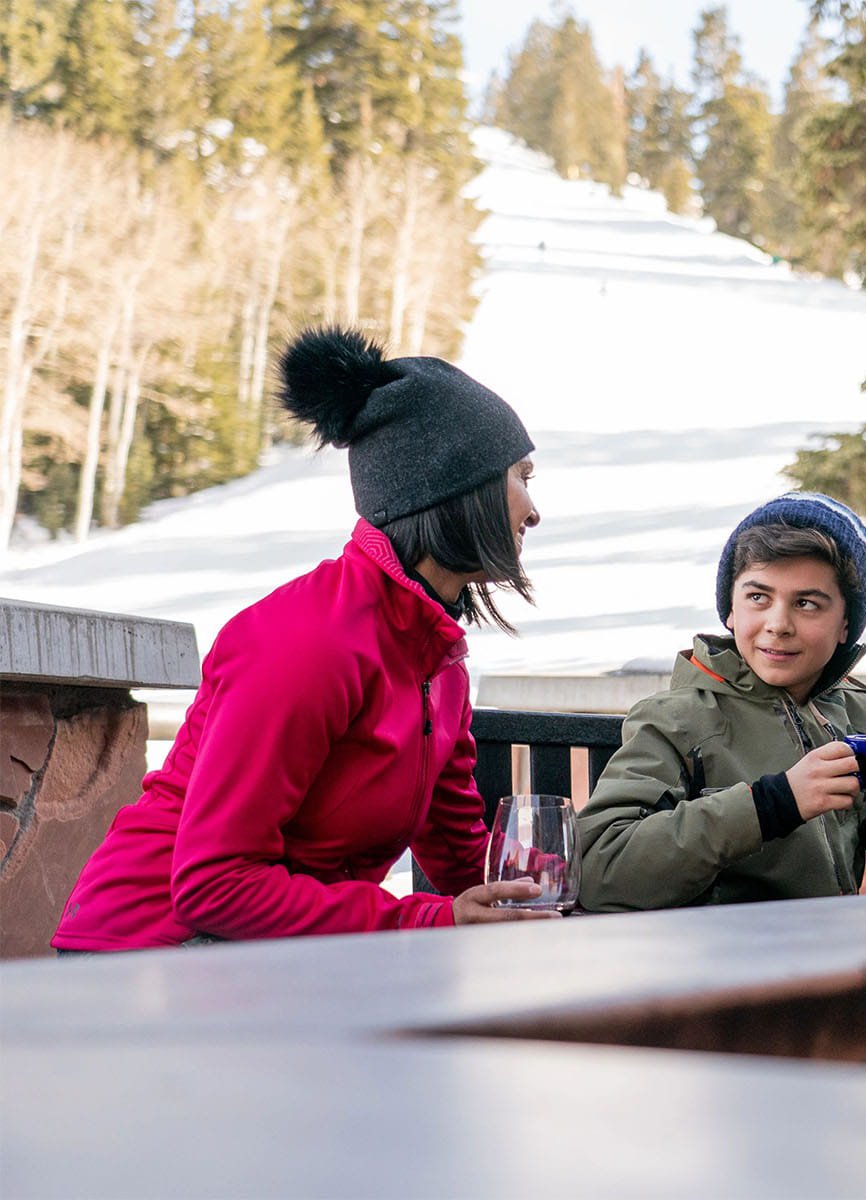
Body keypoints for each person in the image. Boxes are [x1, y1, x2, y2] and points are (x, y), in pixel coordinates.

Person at [52, 327, 556, 952]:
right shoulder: (308, 644)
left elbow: (460, 855)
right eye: (520, 478)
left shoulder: (435, 659)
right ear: (455, 488)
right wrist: (425, 919)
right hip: (150, 955)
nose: (532, 511)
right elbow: (215, 885)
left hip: (275, 950)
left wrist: (575, 880)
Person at [577, 493, 866, 910]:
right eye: (758, 597)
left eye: (806, 603)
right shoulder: (677, 721)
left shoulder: (860, 718)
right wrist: (774, 803)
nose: (778, 625)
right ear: (730, 610)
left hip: (831, 957)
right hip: (718, 966)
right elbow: (597, 870)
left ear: (846, 624)